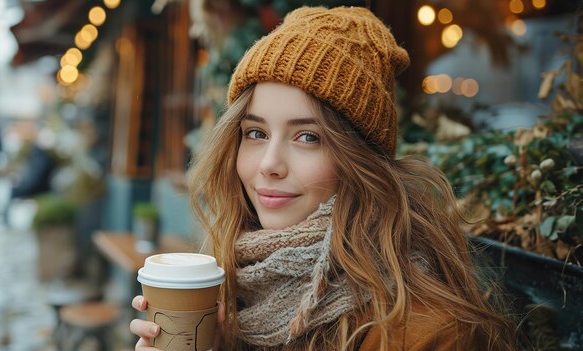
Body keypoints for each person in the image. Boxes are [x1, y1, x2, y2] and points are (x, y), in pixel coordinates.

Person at [130, 6, 518, 350]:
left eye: (308, 137)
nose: (269, 164)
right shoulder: (231, 299)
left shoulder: (427, 333)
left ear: (359, 161)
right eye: (256, 133)